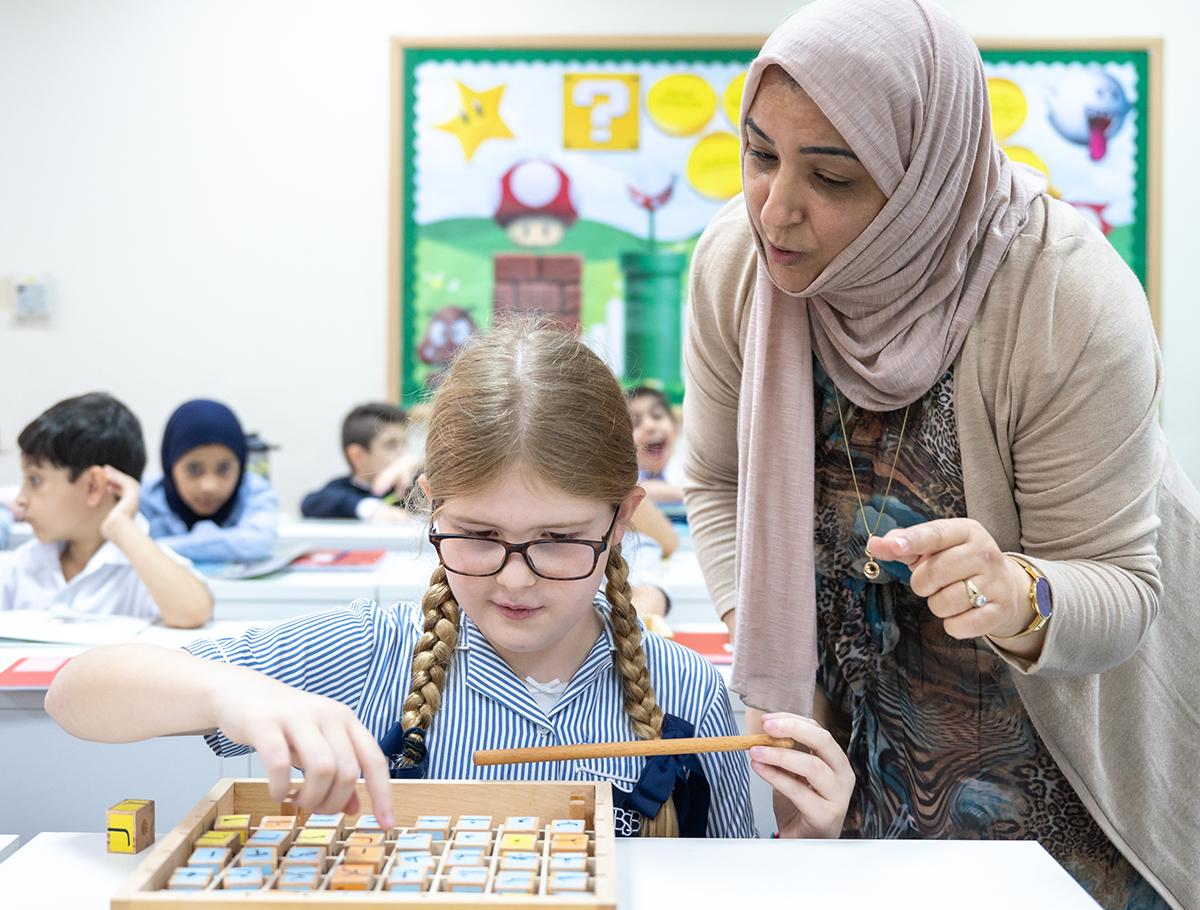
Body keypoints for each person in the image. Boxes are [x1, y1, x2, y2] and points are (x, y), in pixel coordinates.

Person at [683, 0, 1198, 905]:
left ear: (924, 179)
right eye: (760, 155)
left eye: (831, 176)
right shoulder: (740, 266)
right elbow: (718, 483)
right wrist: (765, 637)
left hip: (1065, 791)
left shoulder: (1062, 294)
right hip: (861, 774)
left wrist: (1019, 594)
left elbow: (1123, 589)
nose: (776, 209)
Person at [47, 321, 761, 839]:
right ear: (429, 507)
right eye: (478, 536)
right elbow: (74, 694)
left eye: (558, 540)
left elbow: (739, 881)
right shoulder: (371, 654)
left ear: (622, 520)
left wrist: (805, 842)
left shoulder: (687, 691)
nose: (516, 579)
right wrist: (229, 691)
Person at [1, 393, 212, 628]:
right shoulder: (23, 564)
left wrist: (121, 525)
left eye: (35, 480)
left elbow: (193, 612)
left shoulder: (146, 567)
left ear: (93, 486)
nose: (20, 499)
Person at [140, 400, 278, 562]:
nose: (209, 486)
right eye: (193, 470)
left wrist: (150, 548)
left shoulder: (254, 491)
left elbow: (259, 542)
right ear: (170, 464)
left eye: (224, 469)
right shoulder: (142, 497)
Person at [300, 402, 417, 523]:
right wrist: (372, 509)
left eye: (404, 443)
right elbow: (310, 504)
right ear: (357, 455)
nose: (403, 453)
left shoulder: (411, 487)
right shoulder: (339, 489)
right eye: (391, 444)